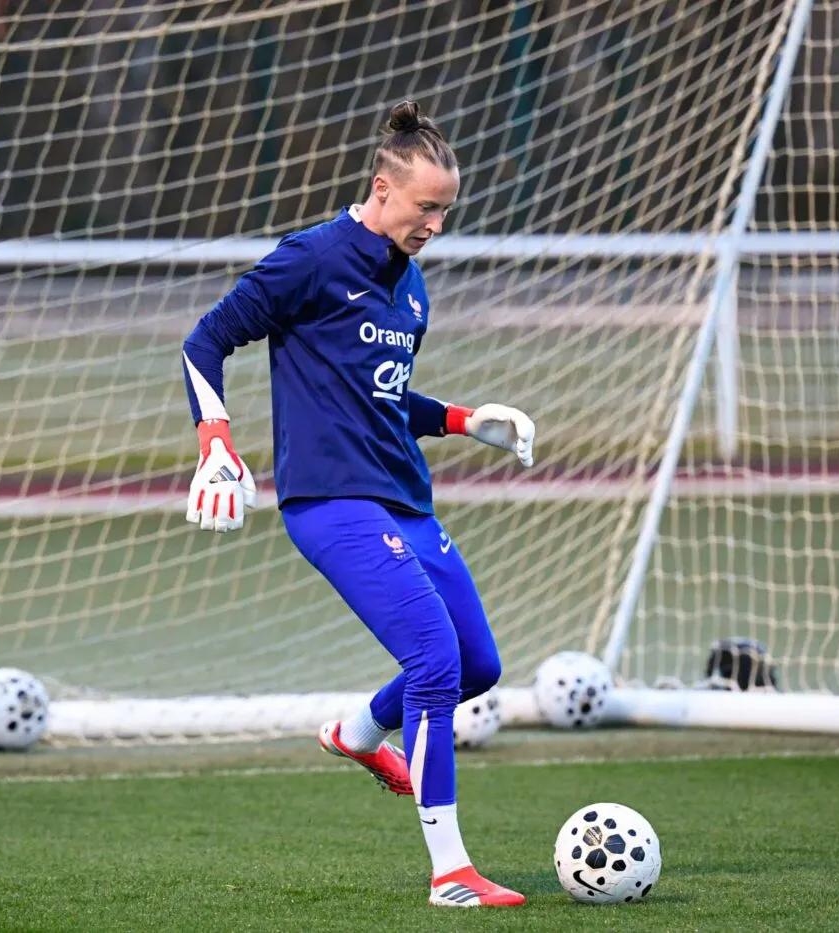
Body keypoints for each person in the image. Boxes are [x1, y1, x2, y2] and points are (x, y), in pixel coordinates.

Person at [180, 101, 535, 908]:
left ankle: (358, 731)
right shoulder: (309, 259)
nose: (435, 225)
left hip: (407, 499)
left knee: (479, 664)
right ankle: (451, 872)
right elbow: (204, 340)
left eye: (446, 211)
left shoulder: (412, 287)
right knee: (435, 662)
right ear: (382, 188)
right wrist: (215, 439)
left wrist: (462, 419)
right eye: (425, 207)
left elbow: (384, 395)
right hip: (332, 502)